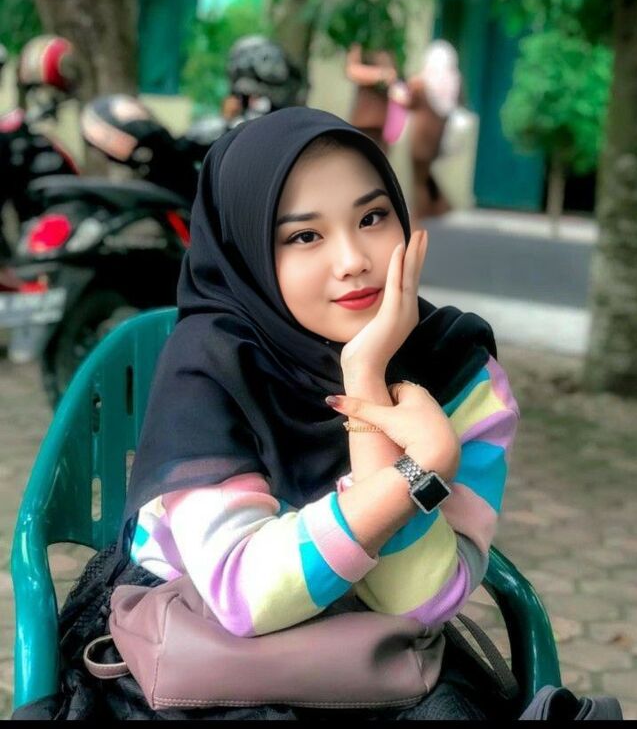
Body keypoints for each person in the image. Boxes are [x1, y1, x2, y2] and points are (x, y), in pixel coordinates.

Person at [15, 107, 519, 720]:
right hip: (198, 646)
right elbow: (243, 596)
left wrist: (367, 384)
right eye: (305, 236)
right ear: (247, 251)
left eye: (372, 217)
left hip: (377, 657)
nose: (353, 259)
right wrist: (416, 465)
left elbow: (412, 602)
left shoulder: (459, 371)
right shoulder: (214, 365)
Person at [388, 39, 463, 221]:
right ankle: (440, 207)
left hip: (420, 136)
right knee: (426, 173)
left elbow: (406, 101)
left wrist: (395, 92)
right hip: (438, 135)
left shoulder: (422, 82)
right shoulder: (453, 81)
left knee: (418, 178)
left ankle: (420, 212)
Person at [345, 43, 398, 154]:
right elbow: (351, 70)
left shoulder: (393, 45)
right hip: (364, 123)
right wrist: (381, 75)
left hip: (382, 127)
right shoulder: (363, 42)